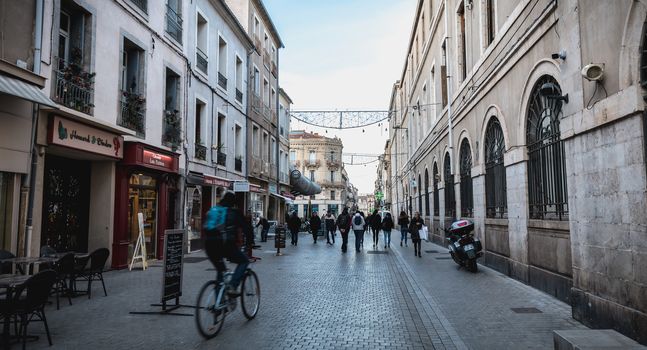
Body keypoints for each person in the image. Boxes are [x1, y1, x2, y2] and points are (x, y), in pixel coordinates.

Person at [203, 191, 249, 297]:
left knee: (221, 270)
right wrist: (250, 242)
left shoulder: (213, 209)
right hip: (225, 244)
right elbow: (246, 229)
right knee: (244, 261)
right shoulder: (234, 212)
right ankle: (233, 286)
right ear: (233, 202)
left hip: (209, 245)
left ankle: (219, 304)